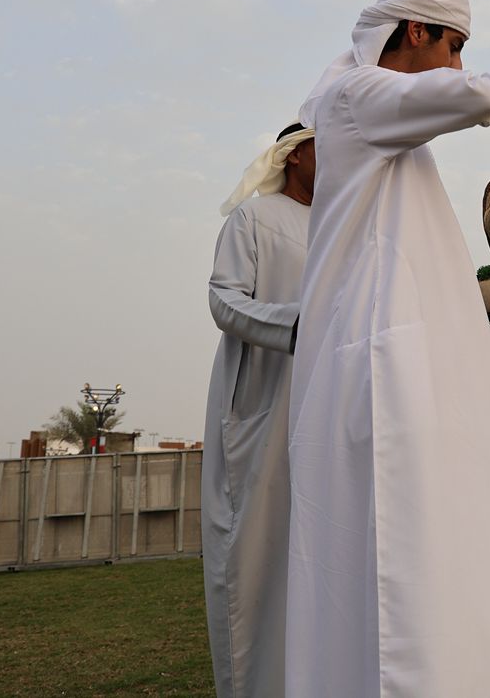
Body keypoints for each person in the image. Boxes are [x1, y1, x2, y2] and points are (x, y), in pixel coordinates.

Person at [285, 0, 490, 697]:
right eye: (452, 45)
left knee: (453, 555)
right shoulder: (360, 95)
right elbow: (481, 95)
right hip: (385, 377)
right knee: (405, 570)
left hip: (409, 363)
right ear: (414, 32)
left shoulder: (381, 132)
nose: (455, 63)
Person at [202, 122, 315, 698]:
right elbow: (224, 298)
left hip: (327, 410)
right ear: (294, 157)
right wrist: (298, 325)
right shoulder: (253, 217)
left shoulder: (342, 226)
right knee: (257, 561)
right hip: (264, 409)